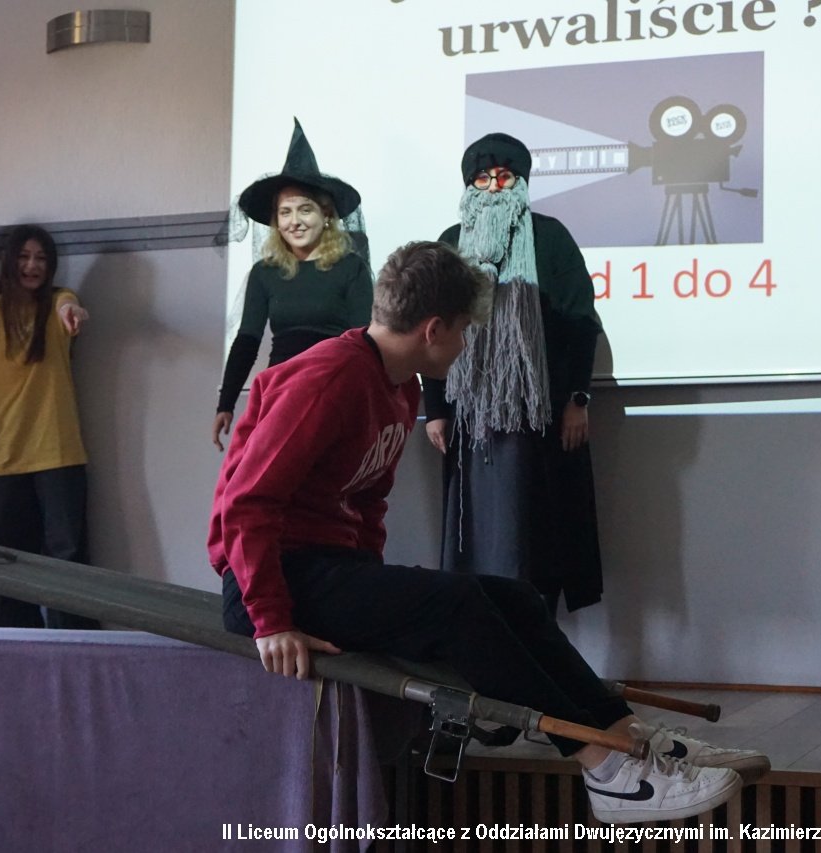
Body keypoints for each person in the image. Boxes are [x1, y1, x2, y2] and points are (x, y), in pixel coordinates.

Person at [209, 240, 766, 824]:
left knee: (515, 598)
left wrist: (378, 598)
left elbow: (367, 502)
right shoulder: (327, 379)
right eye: (464, 332)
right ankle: (607, 770)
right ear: (433, 330)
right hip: (268, 584)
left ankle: (626, 737)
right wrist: (271, 620)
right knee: (462, 607)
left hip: (327, 571)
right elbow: (247, 504)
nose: (466, 345)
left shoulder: (398, 385)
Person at [422, 133, 604, 614]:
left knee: (537, 535)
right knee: (478, 537)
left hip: (539, 417)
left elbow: (581, 322)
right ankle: (483, 628)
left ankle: (537, 629)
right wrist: (436, 409)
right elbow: (432, 332)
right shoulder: (450, 244)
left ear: (521, 184)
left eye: (504, 178)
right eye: (483, 179)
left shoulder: (550, 238)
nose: (494, 188)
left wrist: (578, 399)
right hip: (471, 421)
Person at [0, 224, 97, 629]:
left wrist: (73, 312)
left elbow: (68, 305)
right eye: (24, 256)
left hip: (59, 450)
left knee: (67, 555)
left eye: (40, 258)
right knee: (6, 558)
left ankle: (72, 641)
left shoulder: (58, 302)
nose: (32, 265)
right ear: (9, 261)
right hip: (3, 453)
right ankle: (16, 641)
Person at [213, 117, 373, 451]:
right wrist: (225, 404)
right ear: (276, 221)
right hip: (280, 394)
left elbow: (364, 342)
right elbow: (247, 340)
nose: (295, 221)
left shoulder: (351, 268)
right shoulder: (264, 273)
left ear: (326, 215)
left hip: (335, 391)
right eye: (285, 212)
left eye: (305, 210)